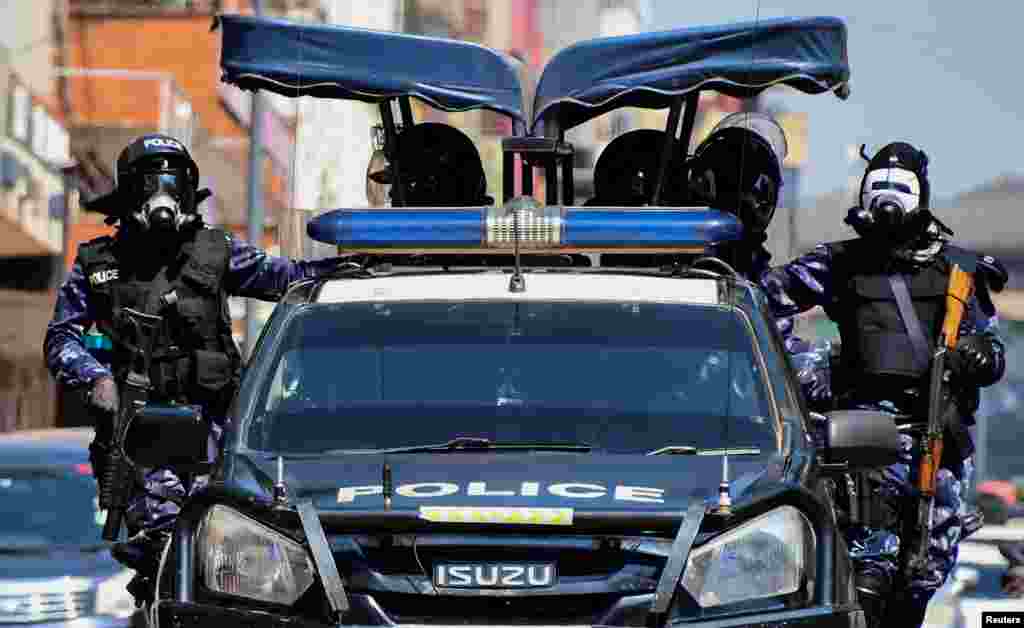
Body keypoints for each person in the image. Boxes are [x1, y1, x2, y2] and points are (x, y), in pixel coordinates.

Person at [44, 133, 352, 602]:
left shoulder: (216, 251)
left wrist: (359, 264)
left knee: (228, 555)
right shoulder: (98, 264)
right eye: (152, 182)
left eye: (173, 180)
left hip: (215, 433)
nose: (163, 194)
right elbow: (61, 337)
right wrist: (96, 378)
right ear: (131, 191)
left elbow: (290, 280)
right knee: (163, 553)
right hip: (139, 437)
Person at [759, 141, 1008, 627]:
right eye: (879, 186)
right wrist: (804, 371)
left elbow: (992, 350)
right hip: (866, 441)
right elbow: (764, 302)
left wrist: (980, 355)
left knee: (923, 576)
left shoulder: (960, 271)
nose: (888, 197)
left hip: (941, 443)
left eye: (900, 188)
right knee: (868, 570)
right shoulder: (840, 263)